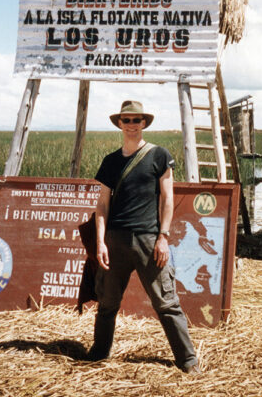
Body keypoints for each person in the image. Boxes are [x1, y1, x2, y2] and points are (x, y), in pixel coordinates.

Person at [87, 100, 201, 375]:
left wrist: (163, 237)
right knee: (107, 303)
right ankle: (98, 354)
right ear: (119, 124)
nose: (132, 125)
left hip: (149, 241)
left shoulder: (159, 155)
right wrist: (101, 242)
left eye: (137, 120)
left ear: (144, 124)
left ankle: (188, 362)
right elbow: (102, 205)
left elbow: (168, 199)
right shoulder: (111, 162)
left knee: (166, 303)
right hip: (115, 241)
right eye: (126, 120)